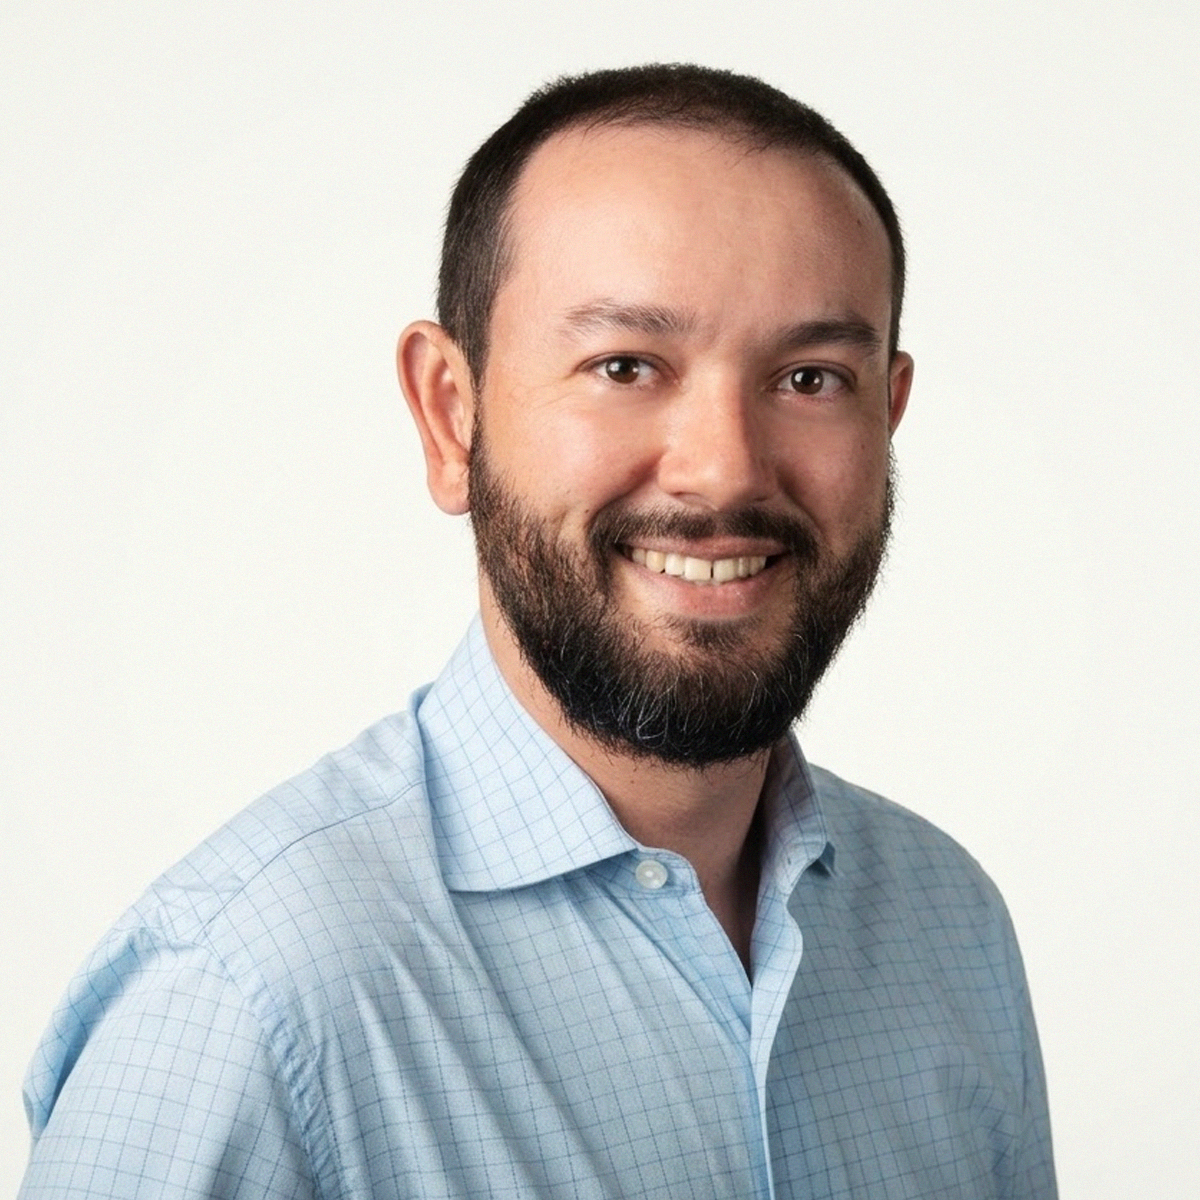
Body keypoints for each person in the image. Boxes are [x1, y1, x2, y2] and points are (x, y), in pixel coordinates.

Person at [19, 64, 1056, 1199]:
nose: (725, 468)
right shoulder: (241, 1002)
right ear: (449, 413)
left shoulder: (950, 925)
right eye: (624, 367)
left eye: (810, 378)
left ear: (888, 413)